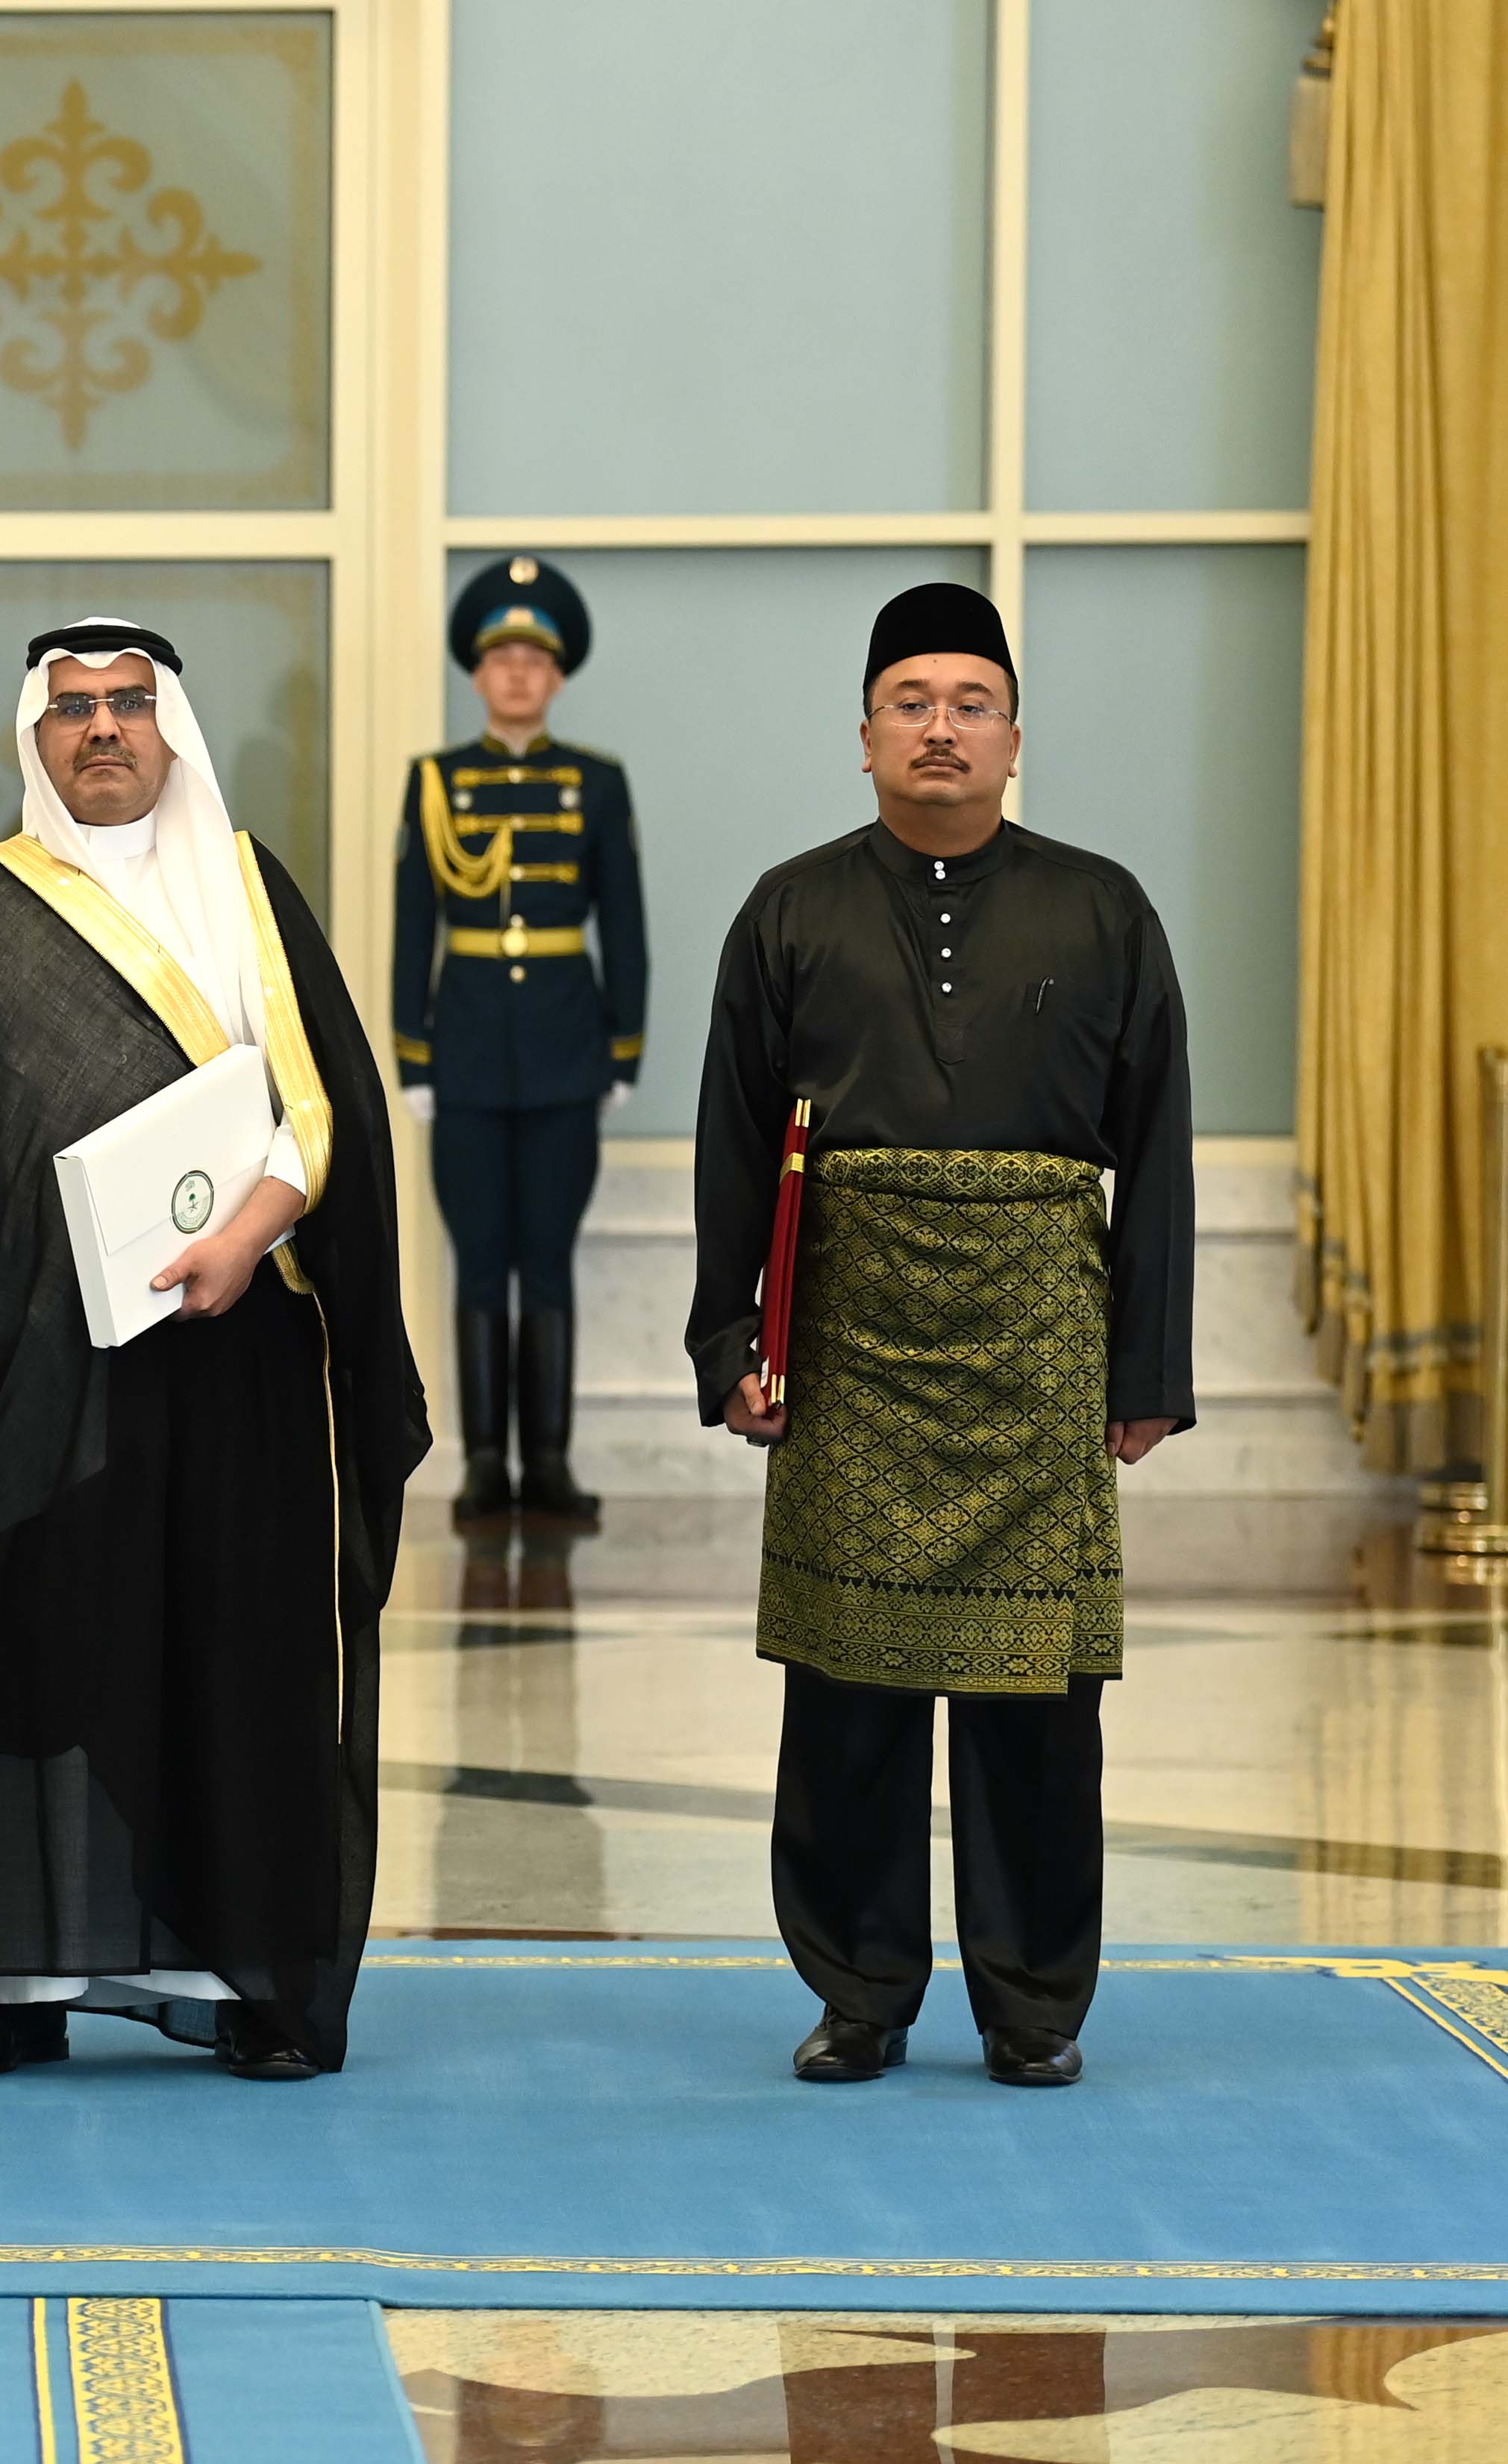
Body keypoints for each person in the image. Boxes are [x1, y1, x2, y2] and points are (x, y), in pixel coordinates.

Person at [0, 618, 425, 2081]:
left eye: (125, 704)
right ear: (31, 736)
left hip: (232, 1359)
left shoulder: (245, 889)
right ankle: (16, 1982)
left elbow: (320, 1107)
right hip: (31, 1373)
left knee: (229, 1660)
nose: (100, 729)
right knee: (25, 1650)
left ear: (169, 726)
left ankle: (243, 1980)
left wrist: (246, 1234)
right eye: (71, 709)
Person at [687, 580, 1192, 2092]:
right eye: (907, 702)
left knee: (1031, 1697)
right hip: (850, 1341)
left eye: (969, 704)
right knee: (844, 1690)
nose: (938, 729)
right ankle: (856, 1992)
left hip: (1039, 1347)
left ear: (1012, 738)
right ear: (861, 737)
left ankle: (1031, 2004)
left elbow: (1154, 1147)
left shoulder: (1101, 909)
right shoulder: (787, 910)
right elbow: (731, 1144)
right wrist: (729, 1341)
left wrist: (1145, 1366)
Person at [392, 557, 648, 1523]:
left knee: (545, 1262)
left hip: (563, 1052)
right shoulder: (435, 783)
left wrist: (622, 1048)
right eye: (501, 658)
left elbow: (623, 927)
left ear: (557, 677)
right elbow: (413, 927)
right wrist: (413, 1053)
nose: (516, 674)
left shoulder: (596, 783)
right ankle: (481, 1466)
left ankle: (546, 1463)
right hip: (462, 1055)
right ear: (476, 672)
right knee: (476, 1264)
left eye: (533, 660)